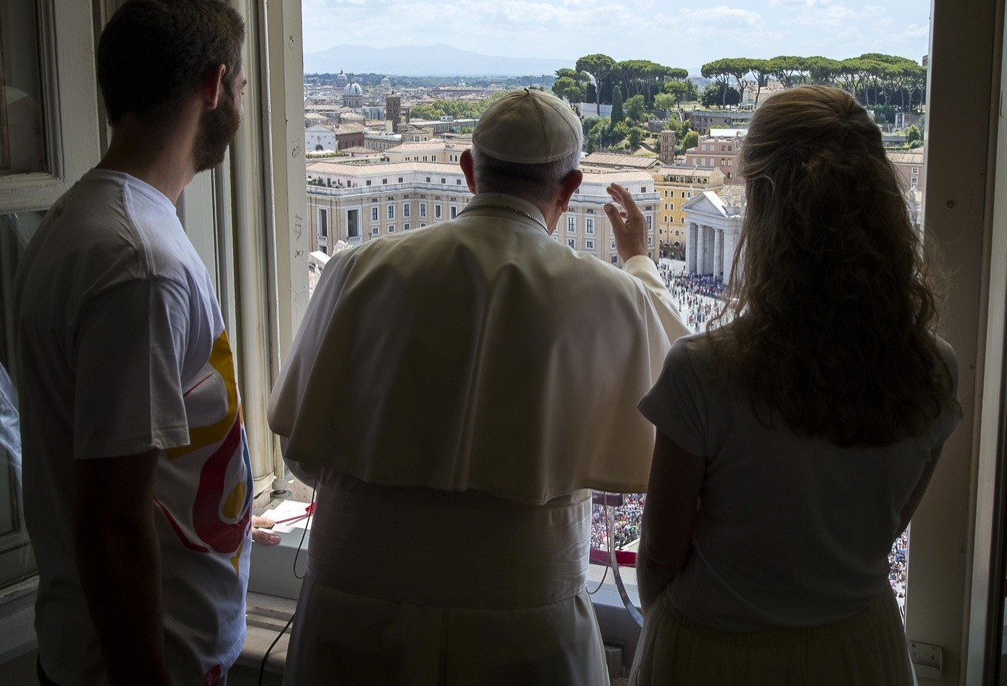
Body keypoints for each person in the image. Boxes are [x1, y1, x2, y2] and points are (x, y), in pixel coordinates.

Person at [267, 88, 689, 684]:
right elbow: (687, 374)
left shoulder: (354, 269)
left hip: (350, 617)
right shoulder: (611, 294)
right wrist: (638, 260)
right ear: (569, 190)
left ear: (469, 171)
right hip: (523, 628)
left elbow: (302, 452)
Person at [631, 85, 963, 685]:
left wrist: (674, 629)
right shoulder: (934, 369)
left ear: (762, 208)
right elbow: (886, 527)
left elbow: (658, 555)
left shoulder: (702, 370)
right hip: (858, 650)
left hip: (713, 648)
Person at [14, 0, 262, 685]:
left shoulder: (79, 221)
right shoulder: (141, 263)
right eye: (241, 83)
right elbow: (112, 518)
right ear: (215, 86)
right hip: (147, 659)